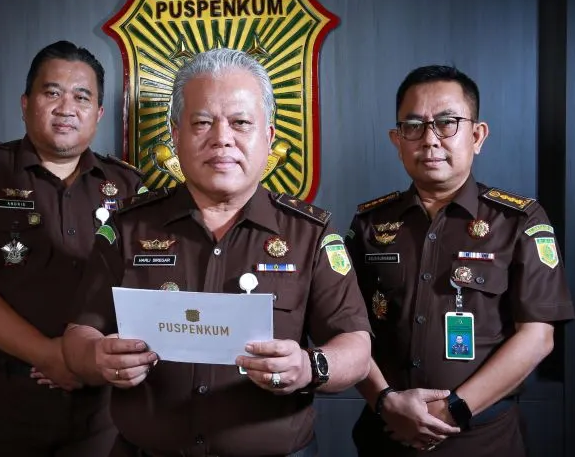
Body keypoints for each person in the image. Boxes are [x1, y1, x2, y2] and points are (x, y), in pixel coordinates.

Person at [62, 47, 373, 457]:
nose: (222, 138)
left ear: (269, 137)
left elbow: (355, 346)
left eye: (240, 122)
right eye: (203, 122)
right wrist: (96, 356)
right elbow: (78, 335)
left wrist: (308, 367)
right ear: (176, 135)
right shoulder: (126, 227)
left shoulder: (309, 234)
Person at [0, 40, 147, 457]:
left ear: (98, 113)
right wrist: (49, 354)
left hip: (101, 408)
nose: (66, 108)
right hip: (1, 402)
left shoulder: (127, 186)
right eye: (52, 92)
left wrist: (91, 361)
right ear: (25, 104)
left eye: (82, 97)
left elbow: (148, 285)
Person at [347, 65, 575, 456]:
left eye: (447, 123)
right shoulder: (369, 224)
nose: (429, 139)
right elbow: (347, 329)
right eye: (413, 126)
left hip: (482, 439)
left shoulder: (518, 221)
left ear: (477, 135)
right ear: (397, 140)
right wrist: (385, 401)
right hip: (385, 435)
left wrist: (454, 409)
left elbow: (538, 336)